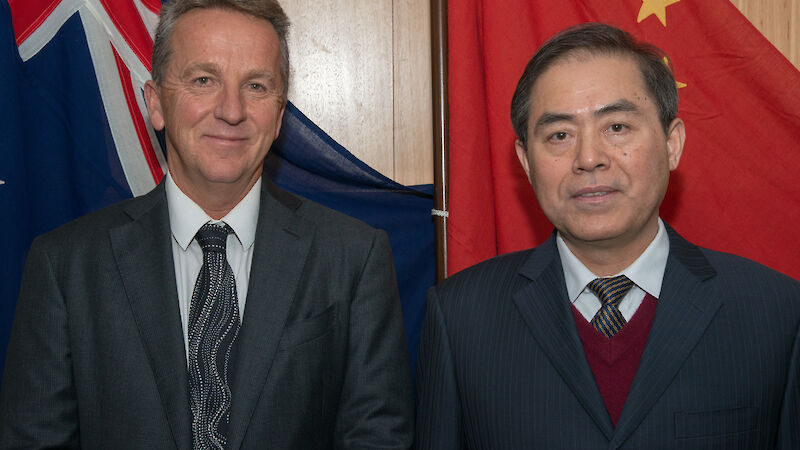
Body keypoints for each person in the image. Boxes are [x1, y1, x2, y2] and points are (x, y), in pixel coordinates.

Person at [0, 1, 413, 449]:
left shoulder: (353, 257)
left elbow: (377, 438)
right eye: (204, 80)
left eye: (256, 85)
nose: (231, 111)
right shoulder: (66, 266)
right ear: (155, 103)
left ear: (278, 117)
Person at [415, 23, 799, 449]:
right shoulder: (460, 317)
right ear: (525, 161)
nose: (589, 158)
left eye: (616, 127)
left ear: (672, 144)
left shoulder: (777, 313)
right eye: (559, 135)